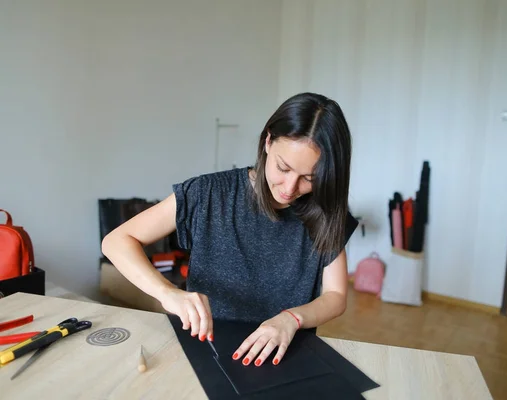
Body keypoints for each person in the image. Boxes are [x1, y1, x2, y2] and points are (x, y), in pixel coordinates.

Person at [101, 92, 358, 368]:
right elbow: (116, 241)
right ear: (268, 141)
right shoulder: (208, 193)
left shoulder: (327, 213)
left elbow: (336, 296)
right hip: (206, 350)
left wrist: (291, 319)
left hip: (284, 355)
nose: (289, 188)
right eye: (283, 168)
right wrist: (168, 293)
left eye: (309, 179)